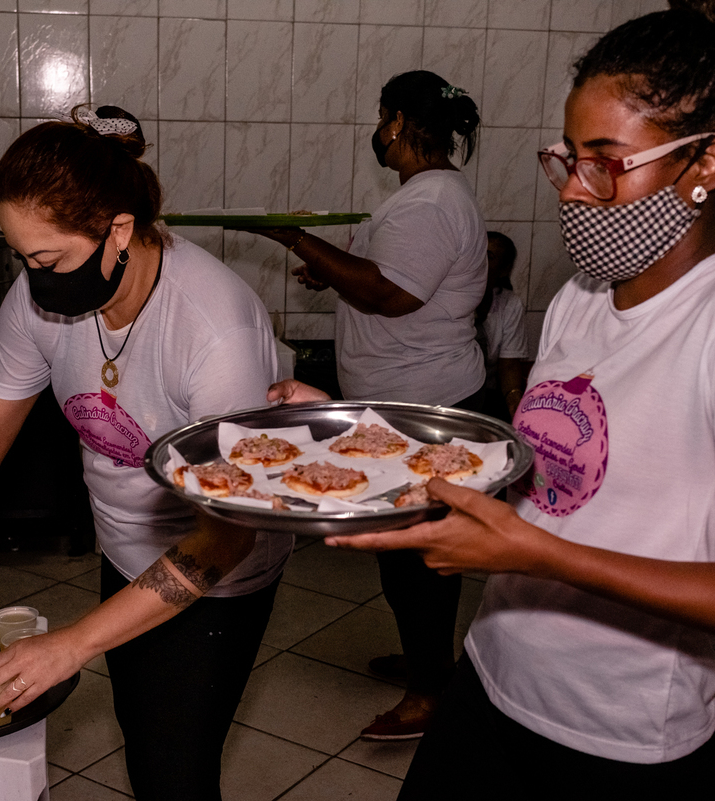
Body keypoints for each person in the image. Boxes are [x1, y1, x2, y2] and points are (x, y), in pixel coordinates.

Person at [317, 2, 715, 797]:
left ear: (706, 163)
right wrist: (357, 435)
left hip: (618, 740)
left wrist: (539, 554)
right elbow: (551, 486)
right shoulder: (581, 298)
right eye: (567, 158)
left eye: (606, 162)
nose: (573, 190)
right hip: (496, 677)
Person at [0, 106, 293, 800]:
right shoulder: (36, 298)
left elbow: (226, 535)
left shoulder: (214, 330)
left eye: (48, 260)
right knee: (143, 730)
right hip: (126, 545)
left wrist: (75, 642)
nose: (34, 279)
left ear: (119, 231)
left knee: (174, 767)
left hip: (220, 569)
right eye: (22, 257)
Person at [250, 70, 486, 740]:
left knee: (418, 559)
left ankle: (430, 692)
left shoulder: (429, 201)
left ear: (403, 122)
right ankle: (427, 660)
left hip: (425, 405)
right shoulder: (424, 196)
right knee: (404, 555)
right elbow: (386, 281)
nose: (377, 131)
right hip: (406, 400)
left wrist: (296, 238)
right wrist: (328, 270)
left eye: (384, 116)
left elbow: (391, 294)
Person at [476, 231, 530, 421]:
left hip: (488, 394)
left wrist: (513, 398)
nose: (480, 262)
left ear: (504, 270)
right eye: (477, 253)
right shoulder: (449, 298)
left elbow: (509, 365)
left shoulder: (509, 304)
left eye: (489, 257)